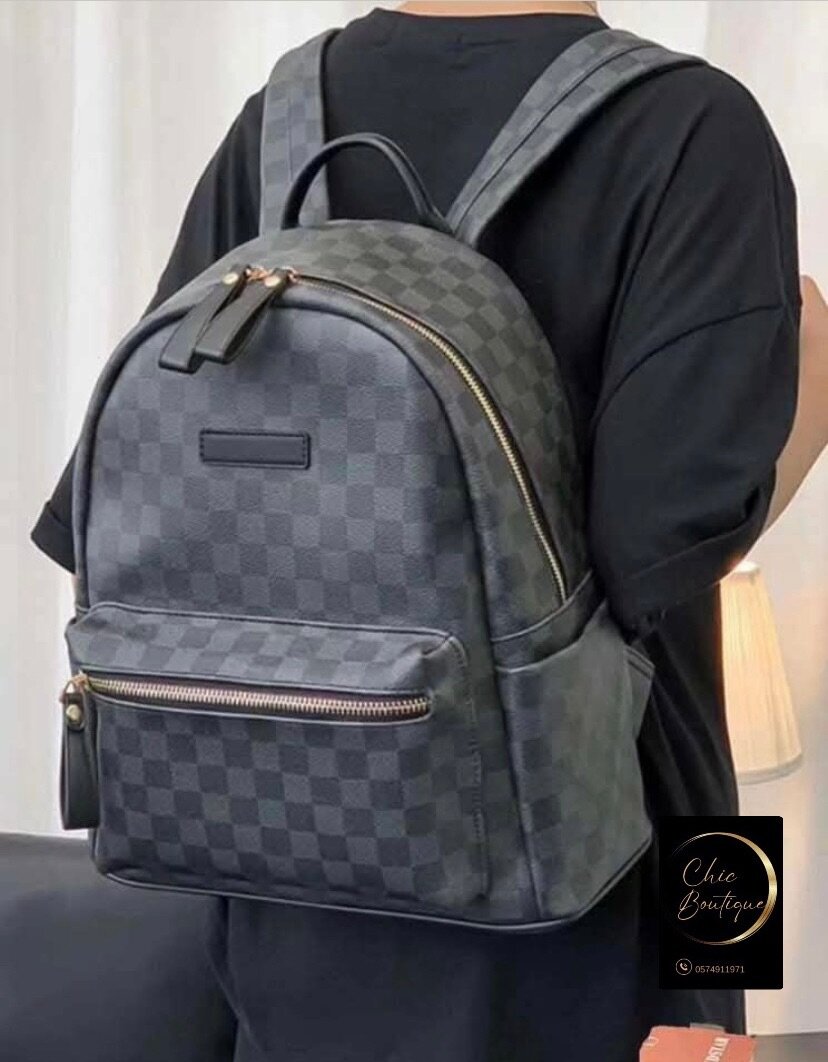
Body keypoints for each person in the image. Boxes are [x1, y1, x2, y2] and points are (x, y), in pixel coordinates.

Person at [31, 3, 828, 1060]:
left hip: (288, 898)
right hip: (594, 892)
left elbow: (134, 530)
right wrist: (806, 411)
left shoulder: (281, 122)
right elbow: (664, 557)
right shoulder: (690, 125)